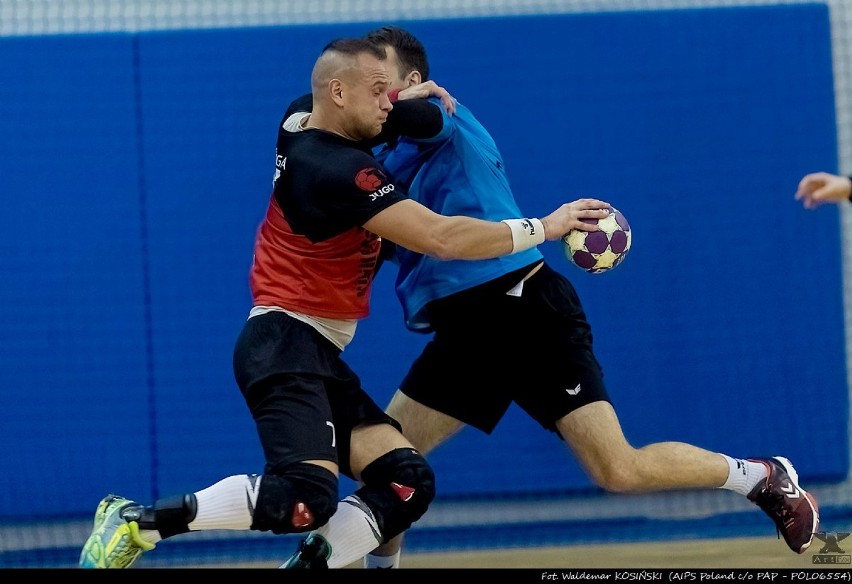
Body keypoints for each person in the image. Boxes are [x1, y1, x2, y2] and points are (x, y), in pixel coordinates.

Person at [281, 26, 821, 570]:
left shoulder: (440, 120)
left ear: (415, 82)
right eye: (365, 86)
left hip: (523, 309)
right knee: (390, 467)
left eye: (385, 83)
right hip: (469, 330)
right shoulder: (377, 166)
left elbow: (420, 116)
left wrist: (373, 105)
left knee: (618, 470)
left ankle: (760, 476)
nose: (378, 96)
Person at [78, 37, 611, 570]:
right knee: (305, 500)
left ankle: (318, 563)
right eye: (380, 93)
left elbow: (409, 118)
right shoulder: (337, 171)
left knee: (406, 481)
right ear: (338, 92)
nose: (388, 104)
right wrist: (546, 226)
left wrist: (408, 97)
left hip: (314, 352)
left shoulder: (301, 118)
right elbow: (442, 237)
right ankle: (137, 520)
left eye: (392, 92)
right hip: (285, 342)